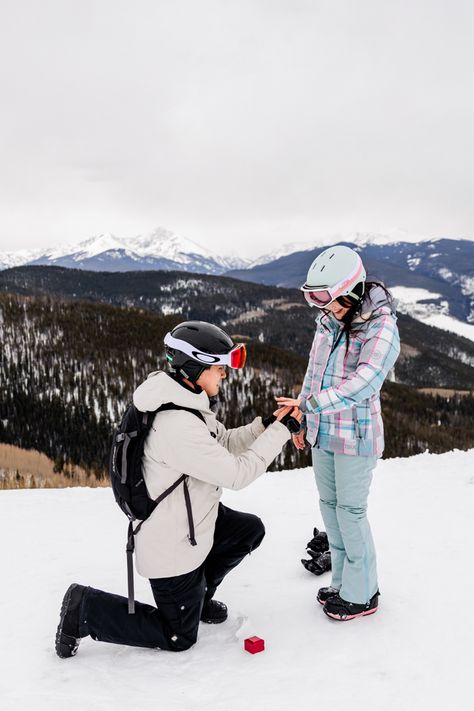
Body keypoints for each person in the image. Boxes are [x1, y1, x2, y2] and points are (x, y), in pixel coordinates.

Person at [55, 321, 301, 657]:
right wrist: (284, 431)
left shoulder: (183, 399)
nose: (224, 375)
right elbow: (237, 474)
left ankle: (197, 600)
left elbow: (222, 442)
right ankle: (84, 609)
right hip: (171, 547)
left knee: (247, 531)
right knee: (178, 637)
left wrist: (265, 425)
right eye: (218, 368)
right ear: (195, 367)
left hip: (194, 521)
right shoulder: (176, 425)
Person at [276, 245, 400, 621]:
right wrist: (303, 418)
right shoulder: (330, 321)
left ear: (351, 290)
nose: (324, 309)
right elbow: (315, 374)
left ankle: (363, 594)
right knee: (330, 511)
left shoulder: (382, 326)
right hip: (324, 433)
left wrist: (311, 406)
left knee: (350, 513)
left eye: (329, 301)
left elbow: (365, 382)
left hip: (356, 437)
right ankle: (343, 584)